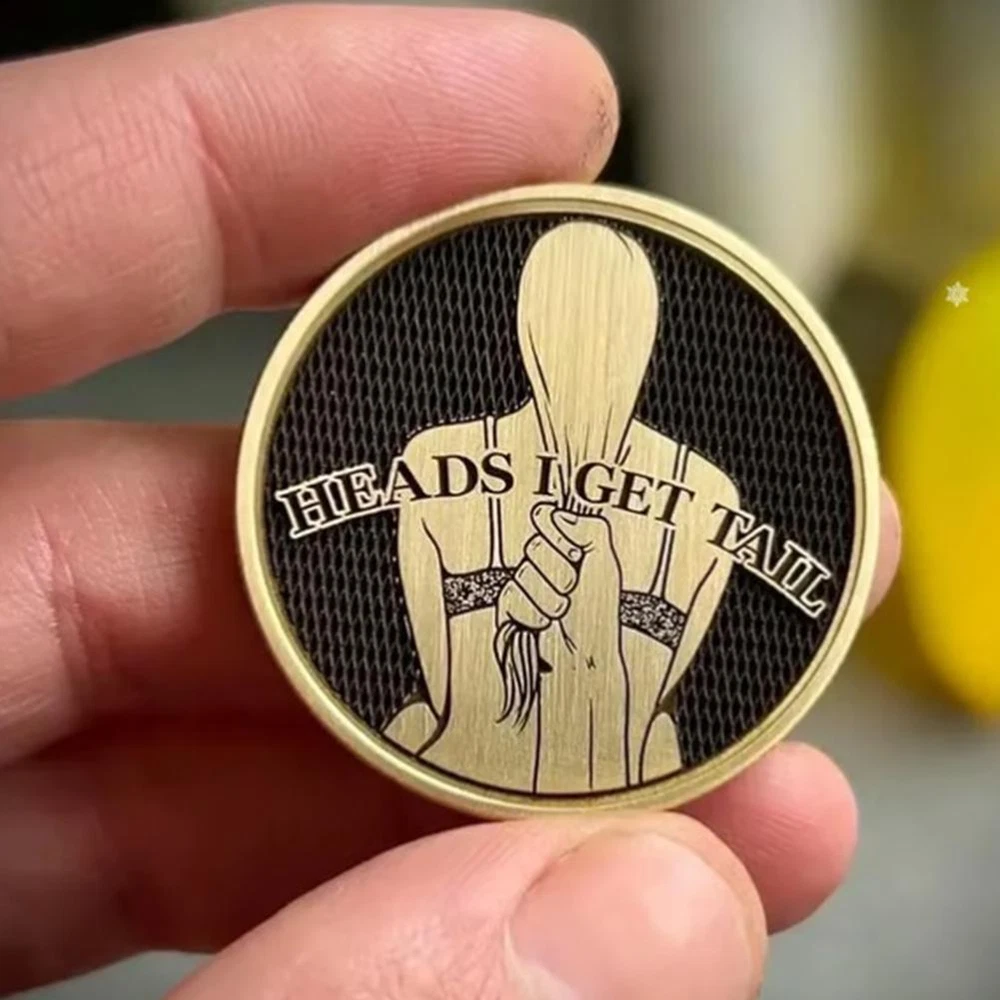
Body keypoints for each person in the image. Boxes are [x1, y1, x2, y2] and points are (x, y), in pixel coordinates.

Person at [0, 5, 901, 998]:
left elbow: (646, 698)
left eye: (615, 339)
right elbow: (450, 681)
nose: (589, 365)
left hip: (615, 754)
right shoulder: (438, 461)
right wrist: (511, 608)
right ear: (524, 338)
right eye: (561, 334)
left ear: (648, 347)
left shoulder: (706, 495)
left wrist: (594, 608)